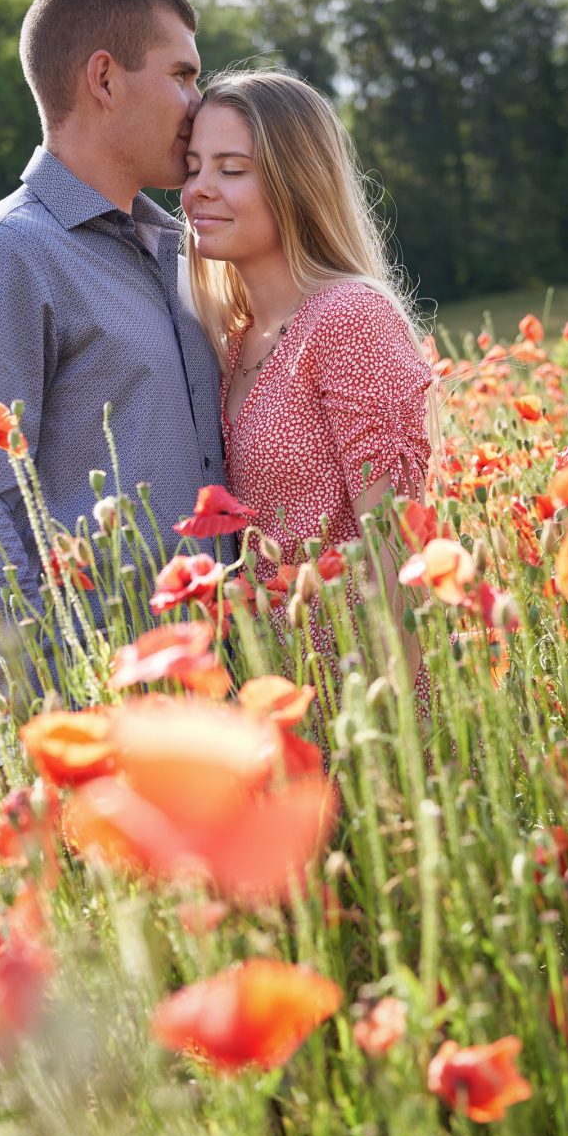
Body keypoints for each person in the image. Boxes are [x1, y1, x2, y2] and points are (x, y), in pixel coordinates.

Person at [0, 0, 229, 685]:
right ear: (104, 78)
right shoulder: (7, 256)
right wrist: (55, 710)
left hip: (213, 686)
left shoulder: (178, 246)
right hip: (98, 698)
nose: (199, 101)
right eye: (182, 75)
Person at [181, 69, 435, 697]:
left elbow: (395, 550)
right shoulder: (232, 338)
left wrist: (400, 740)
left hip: (368, 694)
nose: (196, 191)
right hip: (281, 701)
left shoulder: (349, 318)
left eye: (231, 169)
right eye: (192, 166)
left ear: (295, 184)